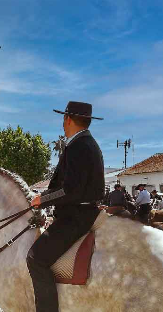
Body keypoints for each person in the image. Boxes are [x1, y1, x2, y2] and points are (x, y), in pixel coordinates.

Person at [28, 101, 104, 312]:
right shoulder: (86, 143)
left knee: (36, 259)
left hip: (76, 216)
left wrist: (42, 200)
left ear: (68, 119)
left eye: (63, 118)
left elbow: (69, 190)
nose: (63, 122)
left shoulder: (79, 146)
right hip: (80, 211)